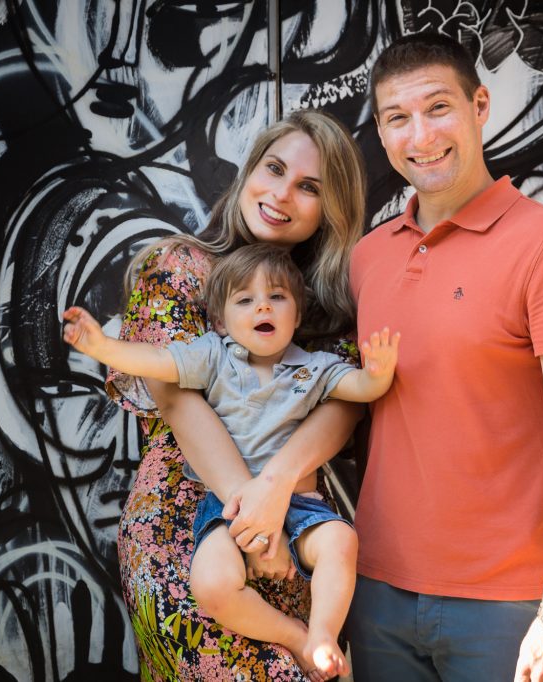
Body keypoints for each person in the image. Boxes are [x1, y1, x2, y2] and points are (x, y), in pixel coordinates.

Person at [345, 33, 543, 682]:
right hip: (377, 593)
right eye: (397, 118)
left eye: (438, 108)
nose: (421, 135)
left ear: (480, 106)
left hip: (508, 606)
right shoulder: (369, 257)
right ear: (383, 135)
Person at [97, 110, 369, 681]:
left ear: (329, 212)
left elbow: (342, 405)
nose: (281, 194)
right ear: (249, 170)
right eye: (273, 169)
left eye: (309, 187)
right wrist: (251, 520)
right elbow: (176, 398)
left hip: (294, 524)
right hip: (183, 527)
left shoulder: (326, 303)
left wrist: (274, 494)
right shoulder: (176, 267)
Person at [64, 244, 399, 679]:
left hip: (301, 506)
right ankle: (294, 636)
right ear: (222, 320)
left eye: (277, 297)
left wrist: (378, 372)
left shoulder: (314, 368)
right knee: (211, 585)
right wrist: (103, 346)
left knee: (342, 543)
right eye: (245, 299)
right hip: (225, 508)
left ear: (296, 317)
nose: (262, 304)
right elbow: (156, 362)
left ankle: (321, 633)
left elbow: (360, 391)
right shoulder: (212, 355)